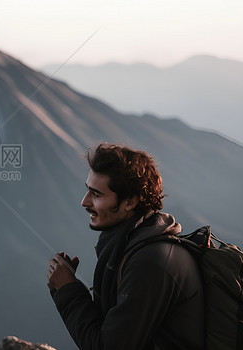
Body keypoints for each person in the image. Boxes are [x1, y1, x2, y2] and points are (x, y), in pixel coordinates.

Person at [47, 143, 204, 350]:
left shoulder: (152, 262)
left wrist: (68, 290)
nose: (84, 202)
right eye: (87, 191)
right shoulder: (133, 247)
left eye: (96, 194)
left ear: (129, 202)